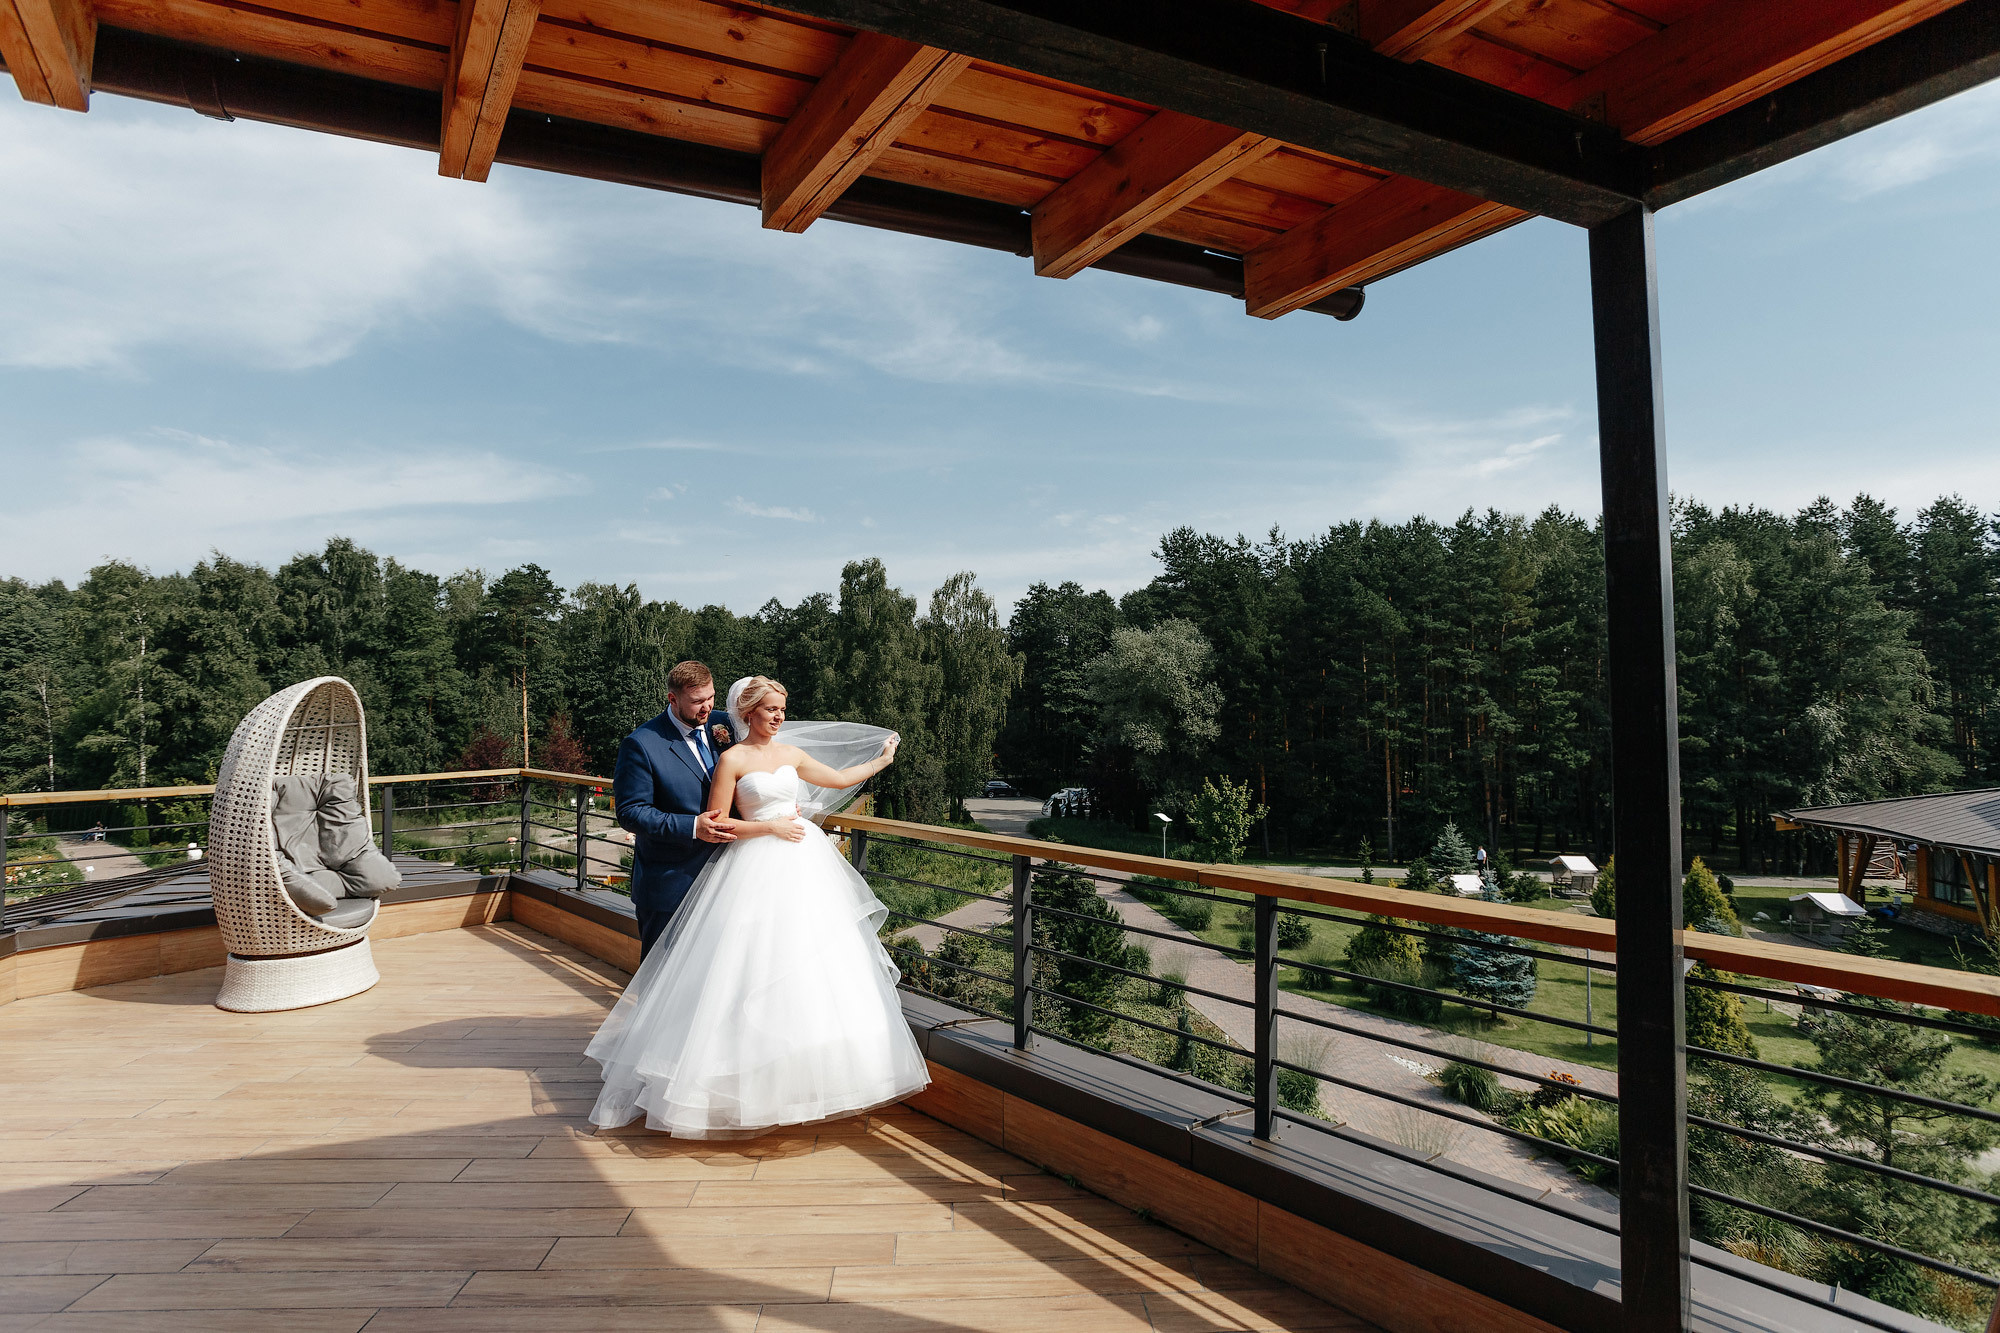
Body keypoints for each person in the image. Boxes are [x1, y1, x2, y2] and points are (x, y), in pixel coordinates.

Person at [587, 675, 927, 1138]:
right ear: (747, 712)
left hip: (802, 870)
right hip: (732, 870)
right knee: (716, 979)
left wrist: (883, 759)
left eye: (783, 710)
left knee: (808, 969)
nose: (780, 717)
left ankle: (802, 1081)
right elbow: (708, 818)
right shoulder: (712, 753)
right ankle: (677, 1077)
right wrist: (769, 829)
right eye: (771, 710)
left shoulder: (766, 744)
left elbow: (841, 777)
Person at [612, 661, 737, 958]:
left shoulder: (726, 724)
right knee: (659, 984)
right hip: (670, 885)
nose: (706, 708)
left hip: (728, 882)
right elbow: (631, 812)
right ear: (672, 699)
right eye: (697, 702)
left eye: (711, 697)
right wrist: (693, 827)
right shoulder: (641, 744)